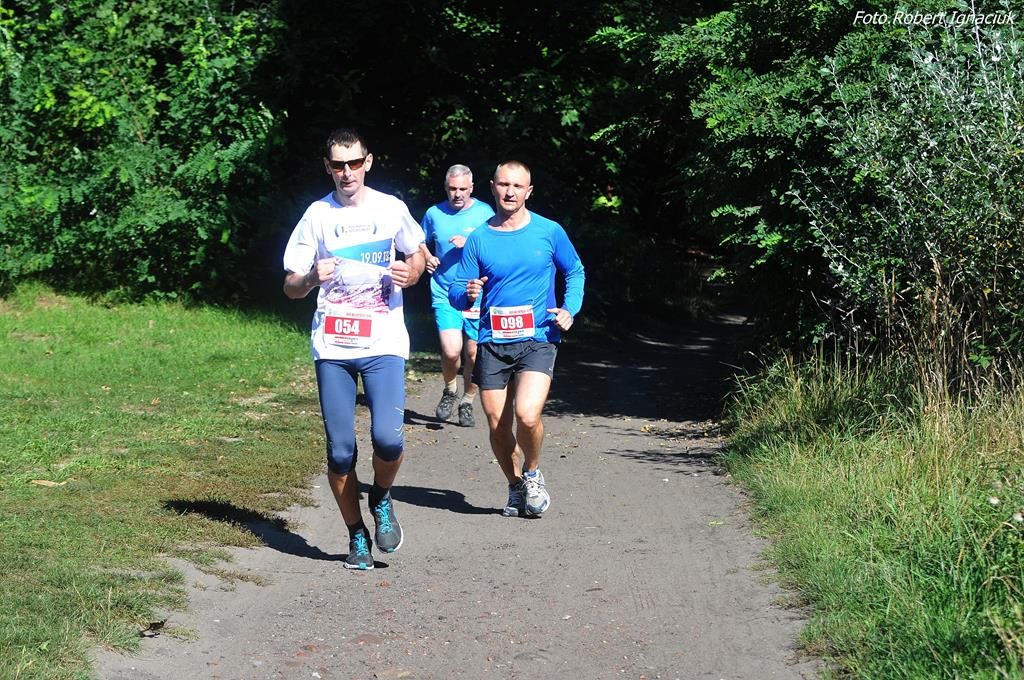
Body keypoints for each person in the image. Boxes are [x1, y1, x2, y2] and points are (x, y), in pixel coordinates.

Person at [283, 128, 426, 570]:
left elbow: (418, 254)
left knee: (388, 439)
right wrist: (311, 279)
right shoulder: (317, 215)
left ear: (368, 162)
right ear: (327, 167)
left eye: (354, 163)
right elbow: (290, 285)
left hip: (383, 341)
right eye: (338, 165)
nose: (347, 172)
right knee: (341, 451)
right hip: (334, 346)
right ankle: (356, 535)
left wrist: (411, 273)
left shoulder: (391, 208)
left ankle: (381, 496)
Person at [448, 161, 585, 518]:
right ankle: (514, 485)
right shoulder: (479, 238)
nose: (509, 192)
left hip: (539, 337)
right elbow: (456, 292)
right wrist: (468, 293)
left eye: (517, 186)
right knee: (497, 425)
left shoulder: (549, 231)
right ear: (493, 187)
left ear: (529, 191)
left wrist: (569, 309)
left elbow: (575, 270)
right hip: (493, 341)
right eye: (504, 185)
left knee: (526, 415)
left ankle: (533, 473)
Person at [419, 164, 495, 427]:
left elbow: (498, 248)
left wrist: (471, 243)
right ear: (446, 188)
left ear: (471, 188)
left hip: (476, 293)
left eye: (463, 188)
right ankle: (450, 390)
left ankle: (467, 401)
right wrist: (427, 257)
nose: (458, 194)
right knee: (452, 351)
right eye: (452, 188)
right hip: (444, 290)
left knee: (473, 354)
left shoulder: (485, 213)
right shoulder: (434, 213)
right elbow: (417, 240)